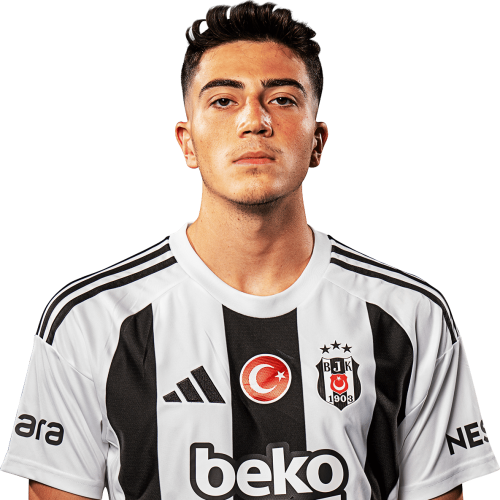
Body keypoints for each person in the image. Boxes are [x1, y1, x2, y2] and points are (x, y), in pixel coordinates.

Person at [2, 1, 498, 499]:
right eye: (223, 100)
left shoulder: (410, 316)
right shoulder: (91, 321)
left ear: (318, 141)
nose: (254, 121)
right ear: (187, 143)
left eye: (282, 99)